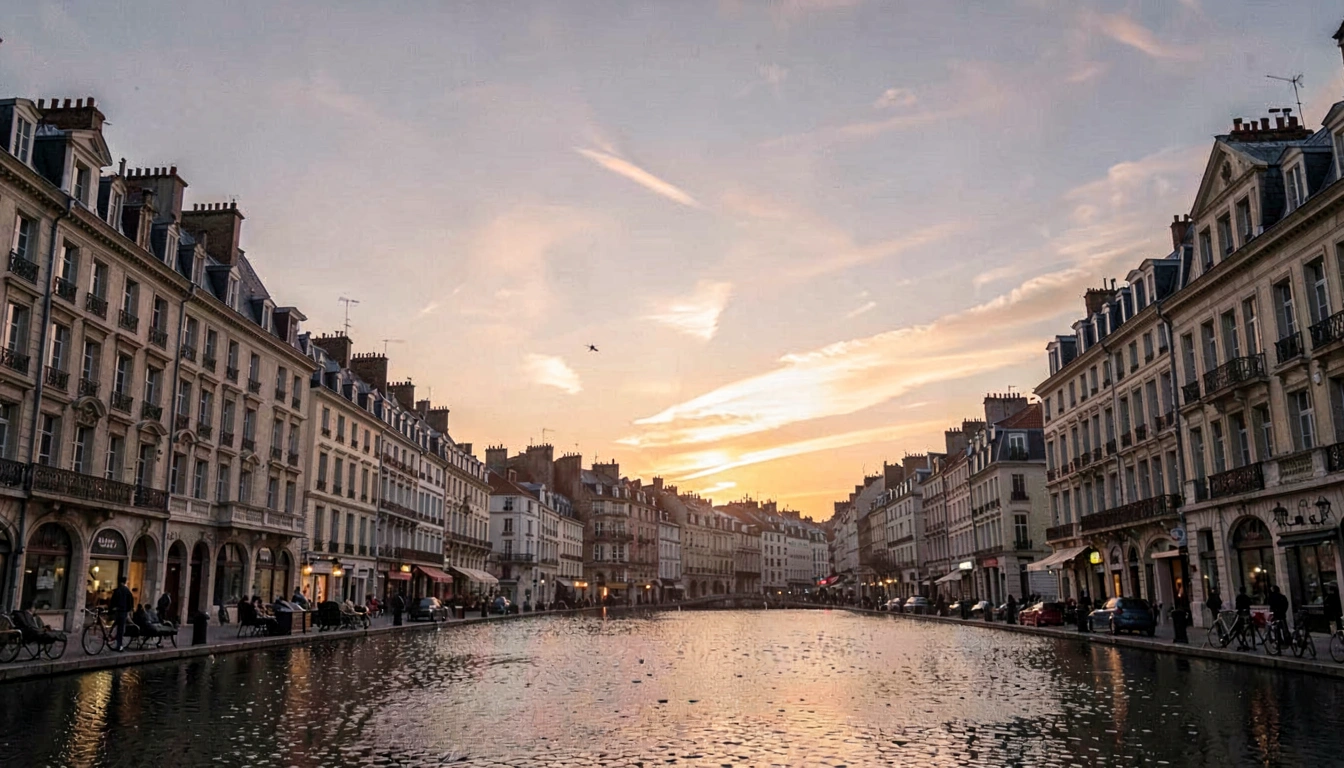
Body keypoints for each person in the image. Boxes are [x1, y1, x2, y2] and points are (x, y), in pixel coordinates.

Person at [110, 575, 134, 651]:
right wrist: (129, 610)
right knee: (120, 629)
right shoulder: (127, 591)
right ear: (125, 582)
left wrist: (110, 610)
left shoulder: (117, 591)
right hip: (123, 612)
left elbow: (112, 601)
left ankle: (111, 637)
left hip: (117, 611)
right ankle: (119, 645)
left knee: (116, 625)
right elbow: (130, 602)